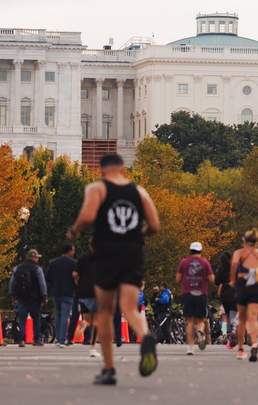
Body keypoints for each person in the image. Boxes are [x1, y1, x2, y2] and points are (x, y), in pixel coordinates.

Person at [66, 152, 160, 385]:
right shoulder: (139, 192)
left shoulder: (97, 188)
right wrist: (139, 234)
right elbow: (155, 225)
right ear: (122, 170)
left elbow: (87, 216)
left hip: (107, 253)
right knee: (129, 308)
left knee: (105, 311)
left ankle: (109, 369)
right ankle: (146, 337)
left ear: (101, 170)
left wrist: (75, 231)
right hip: (133, 253)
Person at [230, 227, 258, 361]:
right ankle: (254, 343)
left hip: (242, 285)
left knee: (242, 319)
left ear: (245, 241)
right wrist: (256, 274)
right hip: (255, 286)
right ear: (256, 241)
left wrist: (233, 279)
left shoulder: (239, 253)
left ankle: (241, 349)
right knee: (253, 318)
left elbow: (234, 264)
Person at [177, 241, 215, 355]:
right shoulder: (205, 262)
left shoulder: (184, 262)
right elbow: (212, 279)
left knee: (189, 321)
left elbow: (178, 279)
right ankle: (199, 331)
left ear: (190, 250)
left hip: (188, 293)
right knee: (201, 319)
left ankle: (190, 348)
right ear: (201, 251)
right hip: (201, 293)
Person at [9, 248, 47, 347]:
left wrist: (13, 295)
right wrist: (44, 296)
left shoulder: (18, 268)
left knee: (22, 319)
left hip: (21, 298)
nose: (37, 259)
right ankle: (36, 339)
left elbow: (12, 282)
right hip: (35, 298)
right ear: (33, 258)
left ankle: (21, 340)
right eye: (36, 257)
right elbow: (42, 284)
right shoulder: (37, 269)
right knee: (36, 319)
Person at [46, 242, 77, 347]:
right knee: (65, 315)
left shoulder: (54, 263)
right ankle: (63, 339)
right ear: (69, 251)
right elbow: (77, 277)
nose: (73, 252)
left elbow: (48, 276)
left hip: (56, 292)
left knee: (58, 314)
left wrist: (54, 283)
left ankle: (59, 338)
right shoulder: (73, 263)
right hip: (68, 292)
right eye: (73, 250)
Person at [216, 251, 237, 345]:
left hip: (225, 296)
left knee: (226, 316)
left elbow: (217, 282)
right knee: (233, 315)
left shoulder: (221, 269)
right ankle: (233, 330)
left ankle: (227, 334)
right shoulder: (235, 268)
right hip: (235, 294)